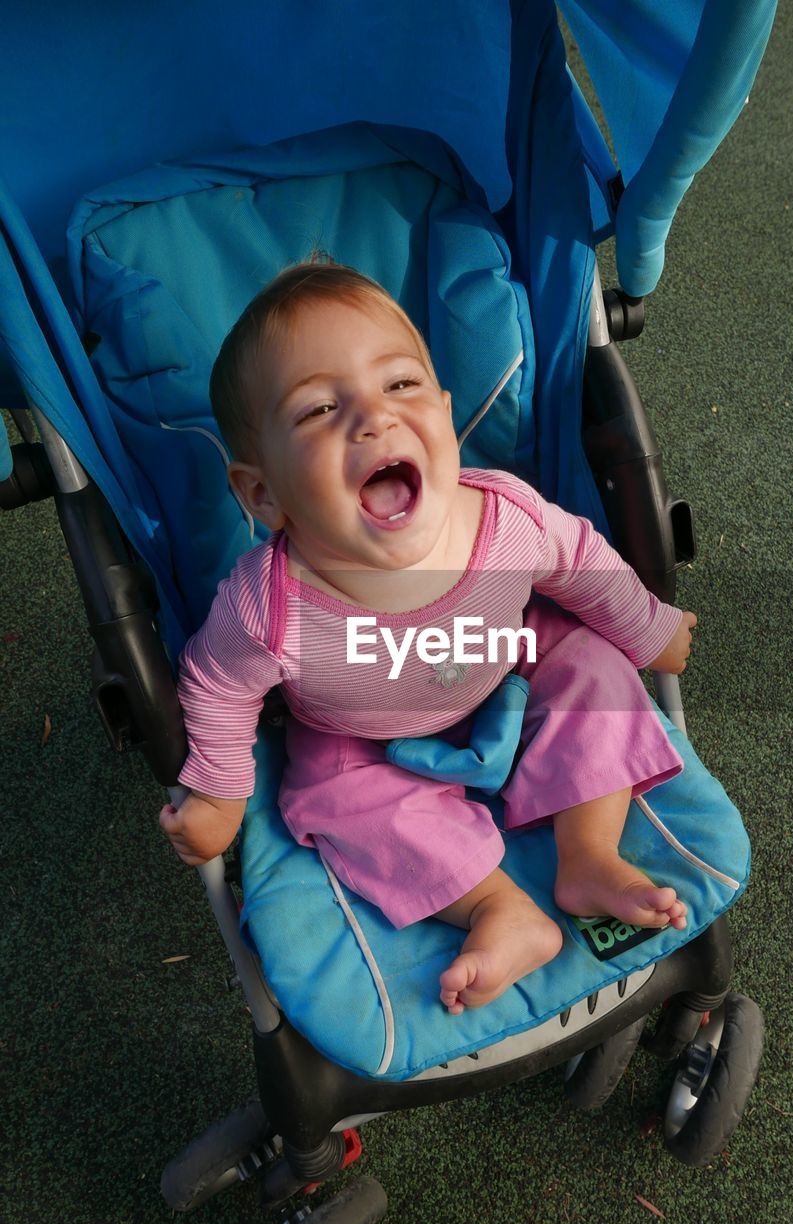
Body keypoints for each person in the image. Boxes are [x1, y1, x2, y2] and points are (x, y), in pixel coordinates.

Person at [160, 262, 696, 1014]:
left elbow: (583, 564)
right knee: (328, 796)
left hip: (503, 668)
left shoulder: (507, 519)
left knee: (592, 664)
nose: (374, 418)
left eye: (402, 385)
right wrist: (218, 788)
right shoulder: (267, 606)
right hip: (356, 734)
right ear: (262, 494)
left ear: (445, 416)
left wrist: (647, 629)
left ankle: (589, 855)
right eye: (318, 410)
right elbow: (216, 681)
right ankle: (496, 907)